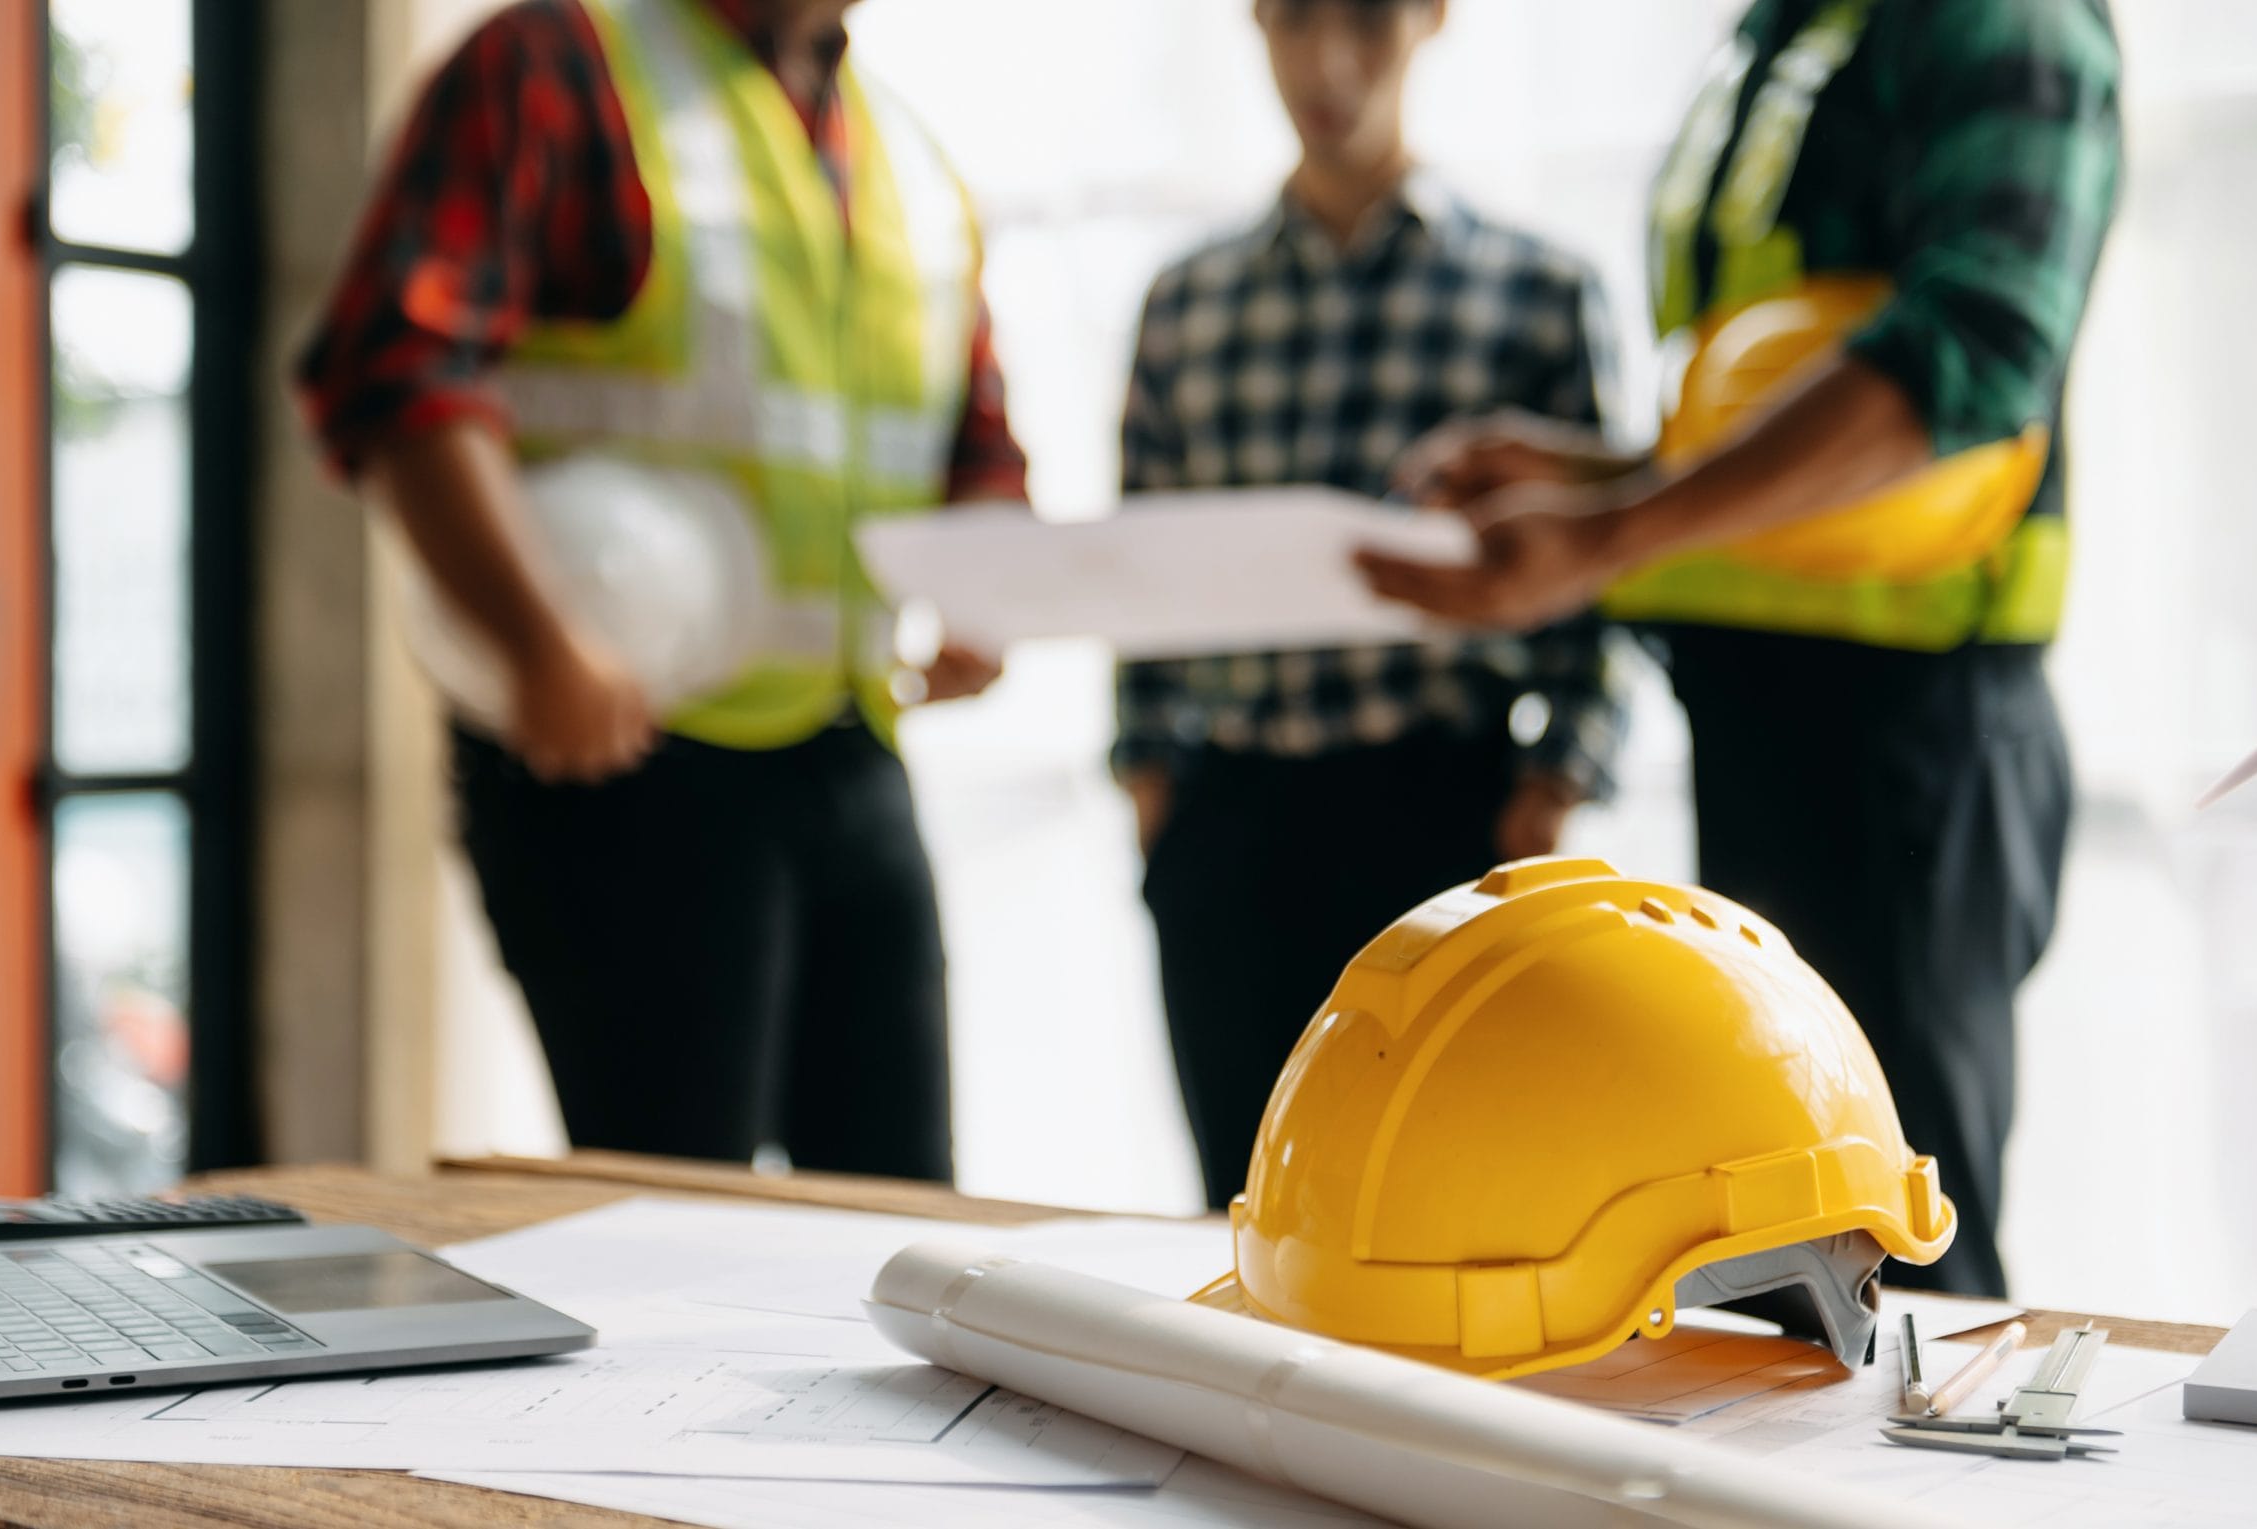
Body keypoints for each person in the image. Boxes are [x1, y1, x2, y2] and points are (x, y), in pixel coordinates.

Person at [1361, 0, 2122, 1295]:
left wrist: (1613, 527)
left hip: (1910, 737)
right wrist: (1609, 475)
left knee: (1903, 1260)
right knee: (1793, 1257)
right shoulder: (1785, 33)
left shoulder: (2003, 22)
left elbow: (1974, 355)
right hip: (1768, 719)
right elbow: (1787, 399)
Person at [297, 0, 1027, 1182]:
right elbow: (400, 368)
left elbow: (977, 440)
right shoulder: (555, 64)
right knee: (675, 1227)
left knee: (904, 1216)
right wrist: (538, 642)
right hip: (627, 770)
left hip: (851, 748)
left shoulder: (912, 163)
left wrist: (988, 584)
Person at [1118, 0, 1628, 1211]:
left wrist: (1554, 781)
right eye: (1293, 22)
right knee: (1248, 1210)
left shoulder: (1539, 290)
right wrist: (1153, 796)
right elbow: (1145, 571)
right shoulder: (1184, 305)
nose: (1326, 64)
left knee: (1450, 1211)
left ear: (1432, 19)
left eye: (1365, 21)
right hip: (1229, 820)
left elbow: (1596, 582)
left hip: (1444, 818)